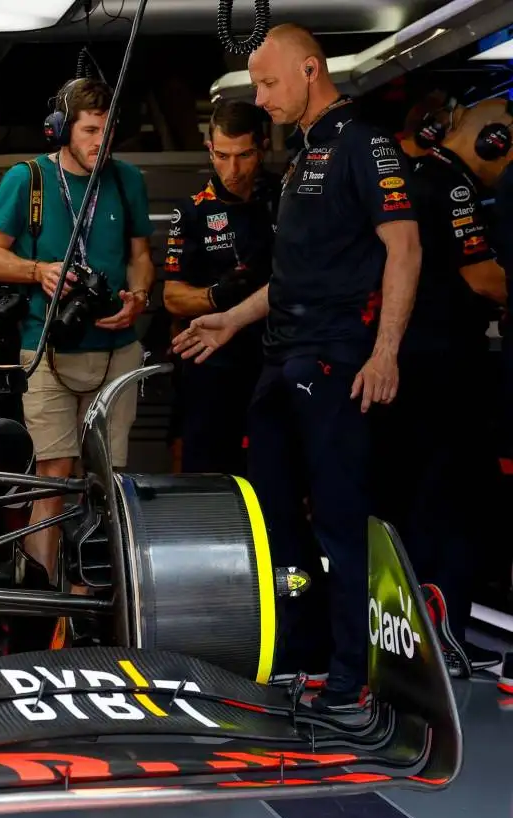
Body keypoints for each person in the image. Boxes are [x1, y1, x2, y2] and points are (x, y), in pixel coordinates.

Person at [174, 24, 422, 713]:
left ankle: (352, 678)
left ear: (311, 70)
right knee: (275, 517)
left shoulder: (366, 146)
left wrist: (384, 352)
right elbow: (290, 277)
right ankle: (302, 658)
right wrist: (230, 320)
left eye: (268, 82)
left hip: (340, 356)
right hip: (280, 356)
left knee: (340, 520)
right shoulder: (303, 157)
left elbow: (404, 250)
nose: (259, 96)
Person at [0, 76, 154, 587]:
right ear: (61, 130)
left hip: (116, 350)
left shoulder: (127, 180)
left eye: (109, 130)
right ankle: (45, 595)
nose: (102, 141)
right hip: (46, 348)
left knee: (109, 479)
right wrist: (39, 271)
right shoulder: (26, 179)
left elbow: (142, 259)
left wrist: (137, 299)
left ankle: (100, 595)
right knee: (53, 471)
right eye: (91, 130)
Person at [373, 96, 510, 677]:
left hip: (406, 364)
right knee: (452, 502)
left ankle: (415, 636)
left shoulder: (411, 177)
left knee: (412, 501)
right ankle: (447, 638)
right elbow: (483, 279)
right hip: (446, 366)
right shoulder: (453, 188)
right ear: (493, 141)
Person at [160, 99, 278, 476]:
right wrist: (216, 295)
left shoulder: (287, 195)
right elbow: (171, 297)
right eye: (222, 156)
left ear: (261, 147)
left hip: (279, 355)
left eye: (243, 156)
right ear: (210, 149)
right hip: (215, 362)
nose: (233, 169)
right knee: (207, 469)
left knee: (276, 468)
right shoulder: (193, 210)